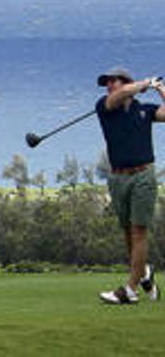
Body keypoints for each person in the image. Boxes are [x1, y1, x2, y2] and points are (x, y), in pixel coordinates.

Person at [96, 67, 161, 304]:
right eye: (107, 82)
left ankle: (130, 290)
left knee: (138, 231)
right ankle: (144, 272)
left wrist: (160, 88)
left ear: (125, 83)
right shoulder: (105, 106)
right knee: (127, 233)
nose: (109, 86)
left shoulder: (144, 110)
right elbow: (116, 97)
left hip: (143, 174)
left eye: (113, 81)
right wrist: (146, 83)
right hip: (117, 177)